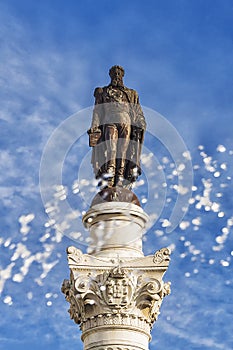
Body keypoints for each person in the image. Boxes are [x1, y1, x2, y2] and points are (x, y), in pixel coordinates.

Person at [88, 65, 146, 188]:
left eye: (119, 74)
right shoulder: (103, 92)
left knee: (123, 151)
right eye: (114, 74)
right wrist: (94, 126)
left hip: (126, 121)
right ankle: (110, 174)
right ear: (110, 75)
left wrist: (141, 123)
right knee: (111, 148)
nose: (117, 76)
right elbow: (97, 111)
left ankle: (120, 177)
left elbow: (137, 111)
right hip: (110, 120)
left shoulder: (131, 93)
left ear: (122, 76)